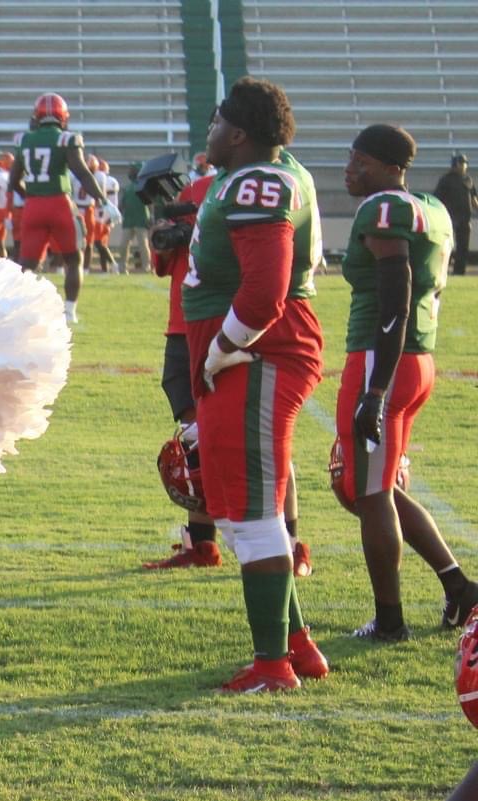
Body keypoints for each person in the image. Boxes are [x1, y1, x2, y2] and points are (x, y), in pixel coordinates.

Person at [181, 77, 328, 693]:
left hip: (257, 349)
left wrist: (221, 349)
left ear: (239, 133)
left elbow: (267, 290)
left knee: (253, 512)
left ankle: (273, 666)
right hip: (252, 347)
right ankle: (297, 645)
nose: (209, 130)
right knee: (245, 509)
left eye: (217, 122)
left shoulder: (256, 181)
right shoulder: (263, 173)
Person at [332, 123, 477, 641]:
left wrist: (374, 390)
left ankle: (390, 621)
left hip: (383, 362)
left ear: (392, 168)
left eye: (361, 162)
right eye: (350, 158)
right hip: (417, 362)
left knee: (369, 493)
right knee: (376, 488)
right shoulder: (432, 208)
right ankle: (459, 587)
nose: (350, 169)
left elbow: (396, 298)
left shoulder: (384, 208)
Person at [136, 152, 220, 571]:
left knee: (244, 437)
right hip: (222, 325)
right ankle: (203, 545)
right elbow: (163, 255)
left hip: (204, 325)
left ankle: (279, 543)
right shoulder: (201, 190)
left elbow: (162, 256)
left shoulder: (210, 190)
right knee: (198, 438)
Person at [11, 93, 107, 326]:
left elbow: (13, 181)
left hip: (33, 206)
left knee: (27, 264)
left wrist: (30, 196)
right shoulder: (67, 139)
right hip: (59, 204)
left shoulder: (24, 140)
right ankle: (69, 311)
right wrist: (103, 200)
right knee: (73, 259)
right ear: (63, 117)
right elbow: (82, 173)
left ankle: (18, 309)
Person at [433, 153, 474, 275]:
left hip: (465, 218)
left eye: (465, 163)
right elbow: (438, 198)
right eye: (462, 163)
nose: (464, 166)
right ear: (455, 164)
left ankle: (459, 271)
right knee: (446, 245)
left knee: (463, 246)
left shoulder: (468, 179)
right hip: (450, 217)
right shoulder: (446, 180)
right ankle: (443, 269)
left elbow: (473, 198)